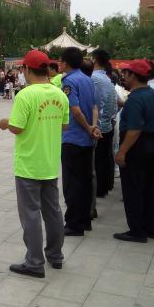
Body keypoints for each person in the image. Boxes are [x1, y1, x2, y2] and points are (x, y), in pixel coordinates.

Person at [0, 50, 69, 278]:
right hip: (49, 163)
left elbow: (17, 127)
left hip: (29, 164)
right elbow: (64, 125)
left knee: (30, 213)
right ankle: (56, 256)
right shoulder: (60, 95)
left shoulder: (26, 95)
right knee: (53, 211)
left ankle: (35, 262)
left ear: (27, 69)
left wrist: (6, 122)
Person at [113, 60, 154, 242]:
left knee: (133, 188)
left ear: (133, 76)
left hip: (137, 146)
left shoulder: (135, 99)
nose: (123, 76)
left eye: (126, 73)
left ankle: (137, 230)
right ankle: (150, 227)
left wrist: (122, 152)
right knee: (150, 187)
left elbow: (134, 129)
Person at [60, 47, 101, 236]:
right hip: (86, 139)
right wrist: (93, 127)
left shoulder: (68, 81)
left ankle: (73, 223)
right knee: (85, 182)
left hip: (74, 138)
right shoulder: (87, 79)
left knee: (72, 184)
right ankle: (85, 220)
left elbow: (75, 111)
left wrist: (87, 128)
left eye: (60, 61)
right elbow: (94, 106)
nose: (59, 64)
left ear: (66, 63)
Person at [91, 49, 118, 198]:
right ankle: (106, 186)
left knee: (98, 161)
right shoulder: (107, 79)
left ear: (94, 60)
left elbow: (96, 105)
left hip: (99, 126)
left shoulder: (94, 78)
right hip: (108, 124)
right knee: (105, 158)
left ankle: (100, 189)